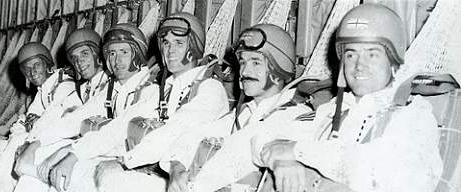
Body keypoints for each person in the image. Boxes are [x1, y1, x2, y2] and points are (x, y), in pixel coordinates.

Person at [253, 4, 443, 192]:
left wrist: (297, 151)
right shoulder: (333, 110)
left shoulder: (413, 114)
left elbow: (384, 172)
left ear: (393, 60)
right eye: (351, 55)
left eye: (372, 54)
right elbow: (260, 136)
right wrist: (283, 161)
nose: (359, 65)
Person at [72, 12, 229, 192]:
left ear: (193, 47)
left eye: (179, 43)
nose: (170, 50)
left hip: (194, 182)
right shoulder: (168, 88)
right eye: (166, 43)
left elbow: (175, 130)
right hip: (167, 174)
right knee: (86, 171)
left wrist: (125, 162)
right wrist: (75, 153)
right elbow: (122, 125)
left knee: (111, 180)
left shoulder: (209, 88)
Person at [162, 23, 318, 192]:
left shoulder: (296, 114)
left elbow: (250, 143)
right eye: (242, 62)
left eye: (256, 62)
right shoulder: (244, 112)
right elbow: (193, 135)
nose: (244, 71)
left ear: (280, 67)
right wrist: (176, 167)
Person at [11, 23, 156, 192]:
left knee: (62, 172)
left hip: (139, 166)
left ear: (137, 52)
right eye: (112, 53)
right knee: (36, 164)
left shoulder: (150, 87)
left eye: (124, 52)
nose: (117, 60)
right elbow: (74, 120)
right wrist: (36, 143)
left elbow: (116, 131)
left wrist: (71, 152)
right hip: (108, 153)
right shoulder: (114, 89)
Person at [8, 28, 109, 191]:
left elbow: (73, 120)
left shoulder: (107, 86)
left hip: (96, 151)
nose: (79, 62)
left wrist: (34, 143)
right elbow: (54, 116)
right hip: (83, 146)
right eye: (74, 58)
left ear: (98, 54)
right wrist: (31, 142)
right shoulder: (86, 88)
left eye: (84, 54)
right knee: (28, 163)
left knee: (34, 162)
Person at [0, 42, 75, 192]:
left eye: (36, 65)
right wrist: (21, 135)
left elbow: (49, 123)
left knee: (16, 143)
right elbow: (25, 121)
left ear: (47, 64)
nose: (32, 72)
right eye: (26, 69)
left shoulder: (64, 84)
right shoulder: (43, 89)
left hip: (60, 143)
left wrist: (26, 140)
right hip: (39, 140)